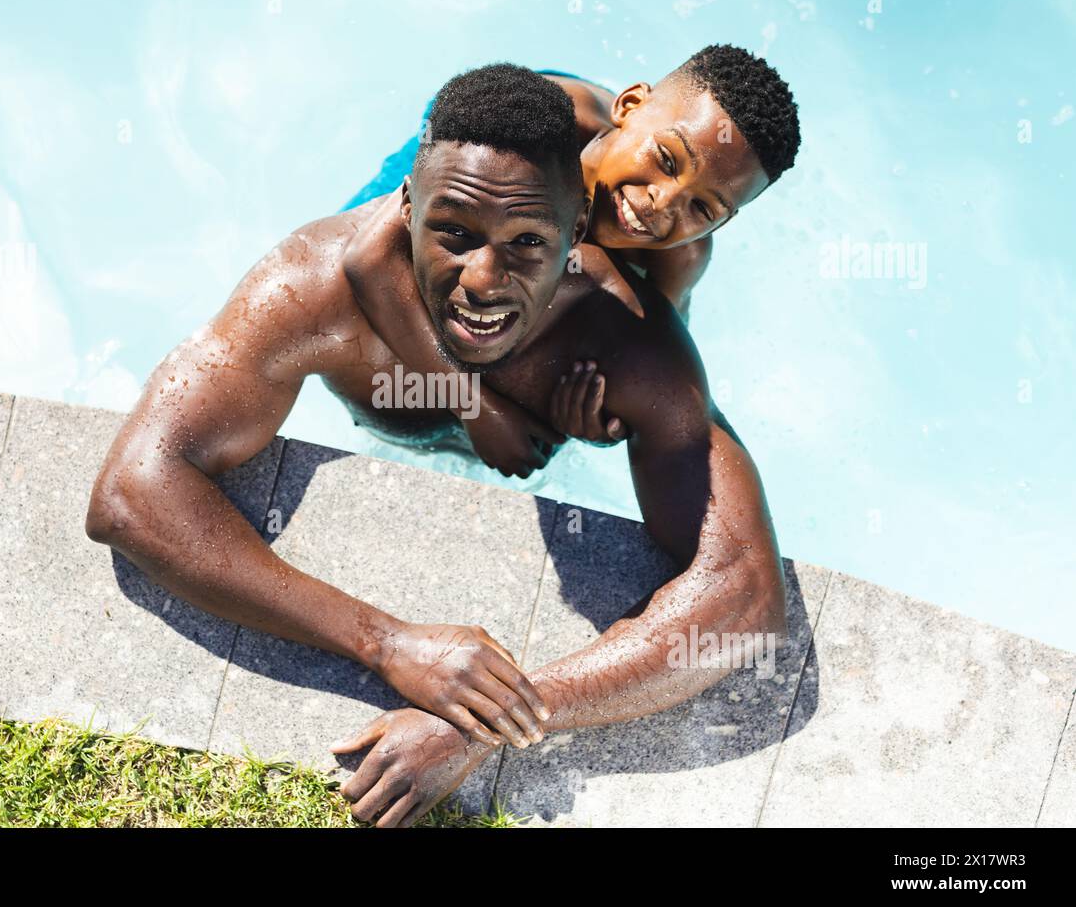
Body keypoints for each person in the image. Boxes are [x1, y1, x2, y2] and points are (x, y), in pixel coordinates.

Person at [85, 64, 787, 828]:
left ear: (577, 237)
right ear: (412, 213)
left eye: (526, 243)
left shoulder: (636, 326)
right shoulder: (325, 276)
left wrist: (499, 714)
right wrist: (388, 643)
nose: (483, 280)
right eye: (453, 234)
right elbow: (131, 496)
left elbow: (745, 597)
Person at [341, 46, 800, 476]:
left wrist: (599, 426)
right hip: (486, 134)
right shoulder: (539, 135)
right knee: (361, 283)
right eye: (665, 159)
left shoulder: (681, 259)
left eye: (703, 209)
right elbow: (366, 257)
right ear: (630, 106)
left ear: (722, 223)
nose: (663, 203)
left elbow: (645, 366)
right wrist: (475, 408)